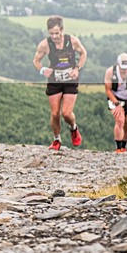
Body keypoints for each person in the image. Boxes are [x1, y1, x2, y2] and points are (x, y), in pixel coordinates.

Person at [33, 16, 87, 151]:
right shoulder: (45, 45)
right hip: (55, 80)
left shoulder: (72, 41)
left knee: (67, 113)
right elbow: (36, 61)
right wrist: (43, 70)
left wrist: (77, 68)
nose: (54, 36)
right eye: (51, 33)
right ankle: (57, 139)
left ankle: (73, 128)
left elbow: (83, 53)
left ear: (62, 30)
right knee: (55, 113)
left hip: (70, 80)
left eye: (57, 33)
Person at [105, 53, 127, 153]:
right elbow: (108, 90)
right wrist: (117, 104)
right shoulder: (110, 72)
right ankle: (118, 148)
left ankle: (123, 146)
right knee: (120, 120)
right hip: (115, 98)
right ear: (118, 65)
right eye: (123, 68)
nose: (125, 70)